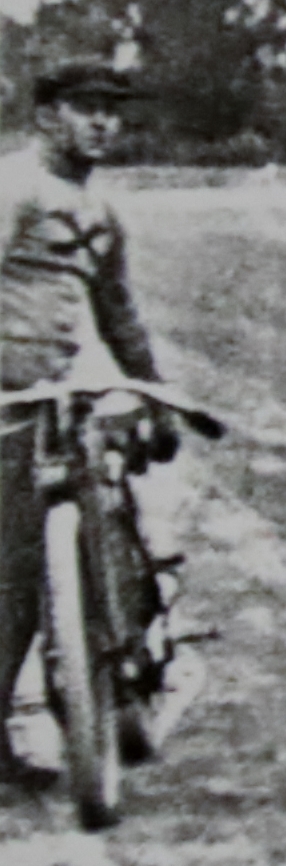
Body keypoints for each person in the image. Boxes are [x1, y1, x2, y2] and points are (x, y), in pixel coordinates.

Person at [0, 64, 167, 784]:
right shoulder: (14, 189)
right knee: (11, 570)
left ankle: (115, 668)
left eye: (111, 110)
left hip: (55, 397)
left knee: (102, 513)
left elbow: (119, 314)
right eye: (85, 108)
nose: (102, 123)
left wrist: (157, 396)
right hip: (5, 402)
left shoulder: (101, 212)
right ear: (46, 116)